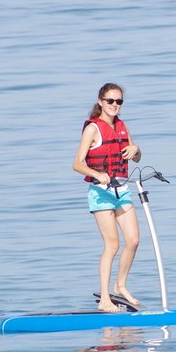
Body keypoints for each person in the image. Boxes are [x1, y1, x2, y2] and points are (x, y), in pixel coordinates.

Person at [73, 83, 144, 312]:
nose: (115, 105)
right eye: (111, 101)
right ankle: (105, 299)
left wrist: (136, 149)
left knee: (133, 240)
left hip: (121, 190)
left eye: (119, 101)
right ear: (101, 102)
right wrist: (97, 174)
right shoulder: (93, 129)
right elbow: (77, 164)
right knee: (112, 244)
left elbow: (136, 159)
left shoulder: (122, 126)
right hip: (101, 193)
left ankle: (120, 285)